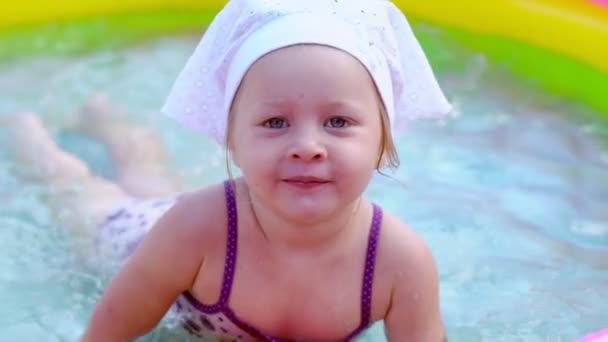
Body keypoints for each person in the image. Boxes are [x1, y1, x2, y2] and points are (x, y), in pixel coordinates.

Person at [7, 0, 453, 340]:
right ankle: (29, 135)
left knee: (152, 178)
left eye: (338, 122)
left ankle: (109, 124)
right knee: (78, 189)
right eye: (275, 122)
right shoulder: (195, 229)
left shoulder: (400, 263)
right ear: (232, 139)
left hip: (201, 224)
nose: (307, 147)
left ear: (383, 139)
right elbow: (106, 335)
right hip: (136, 236)